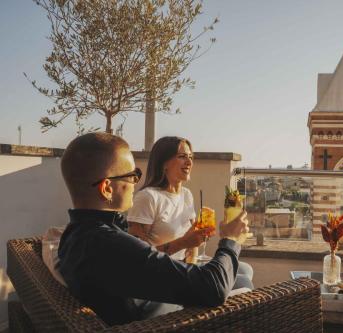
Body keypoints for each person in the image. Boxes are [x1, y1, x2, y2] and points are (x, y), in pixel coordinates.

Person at [57, 132, 249, 326]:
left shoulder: (76, 235)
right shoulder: (108, 244)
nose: (136, 183)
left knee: (239, 275)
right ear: (106, 188)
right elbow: (213, 288)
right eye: (132, 175)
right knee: (242, 284)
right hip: (171, 322)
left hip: (153, 306)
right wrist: (230, 239)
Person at [127, 136, 254, 289]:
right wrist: (183, 243)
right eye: (182, 157)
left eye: (190, 157)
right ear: (163, 163)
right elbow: (137, 260)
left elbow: (193, 241)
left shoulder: (186, 194)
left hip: (184, 267)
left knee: (245, 269)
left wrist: (193, 267)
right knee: (243, 282)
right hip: (162, 273)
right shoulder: (148, 197)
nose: (189, 162)